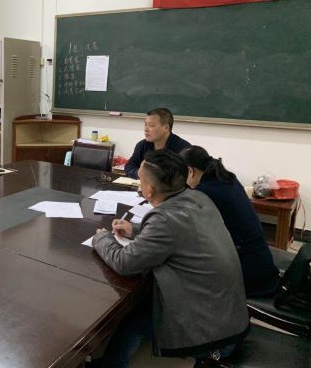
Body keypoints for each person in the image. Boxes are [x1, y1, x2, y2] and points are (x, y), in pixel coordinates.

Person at [92, 149, 249, 368]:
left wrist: (102, 239)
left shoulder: (164, 219)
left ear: (149, 190)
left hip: (213, 335)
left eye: (140, 180)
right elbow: (177, 235)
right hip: (229, 316)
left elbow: (124, 262)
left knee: (132, 320)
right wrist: (135, 230)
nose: (139, 185)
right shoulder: (198, 197)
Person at [180, 145, 279, 298]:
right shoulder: (227, 178)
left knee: (181, 269)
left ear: (191, 171)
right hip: (261, 261)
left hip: (247, 272)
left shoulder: (205, 192)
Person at [124, 108, 190, 179]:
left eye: (151, 125)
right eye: (145, 124)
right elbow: (129, 166)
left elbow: (187, 177)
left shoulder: (183, 149)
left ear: (166, 127)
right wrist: (138, 173)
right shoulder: (142, 145)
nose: (146, 129)